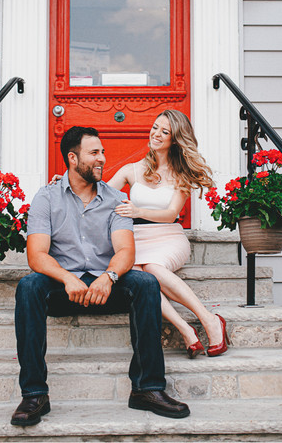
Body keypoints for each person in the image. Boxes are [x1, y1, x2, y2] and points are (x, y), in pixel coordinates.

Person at [12, 126, 189, 427]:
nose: (102, 159)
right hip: (64, 289)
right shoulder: (46, 198)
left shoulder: (115, 198)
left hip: (106, 287)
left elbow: (125, 251)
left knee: (146, 283)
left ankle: (147, 389)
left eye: (102, 152)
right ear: (72, 158)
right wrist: (67, 278)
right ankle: (34, 395)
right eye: (94, 153)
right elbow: (36, 255)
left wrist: (109, 277)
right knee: (29, 286)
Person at [106, 110, 227, 358]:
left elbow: (172, 214)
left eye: (165, 131)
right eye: (155, 127)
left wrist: (138, 210)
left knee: (152, 268)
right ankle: (185, 329)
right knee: (139, 275)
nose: (156, 134)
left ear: (175, 139)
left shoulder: (182, 174)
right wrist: (69, 182)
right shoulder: (132, 170)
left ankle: (209, 319)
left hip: (168, 238)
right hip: (136, 238)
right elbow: (100, 195)